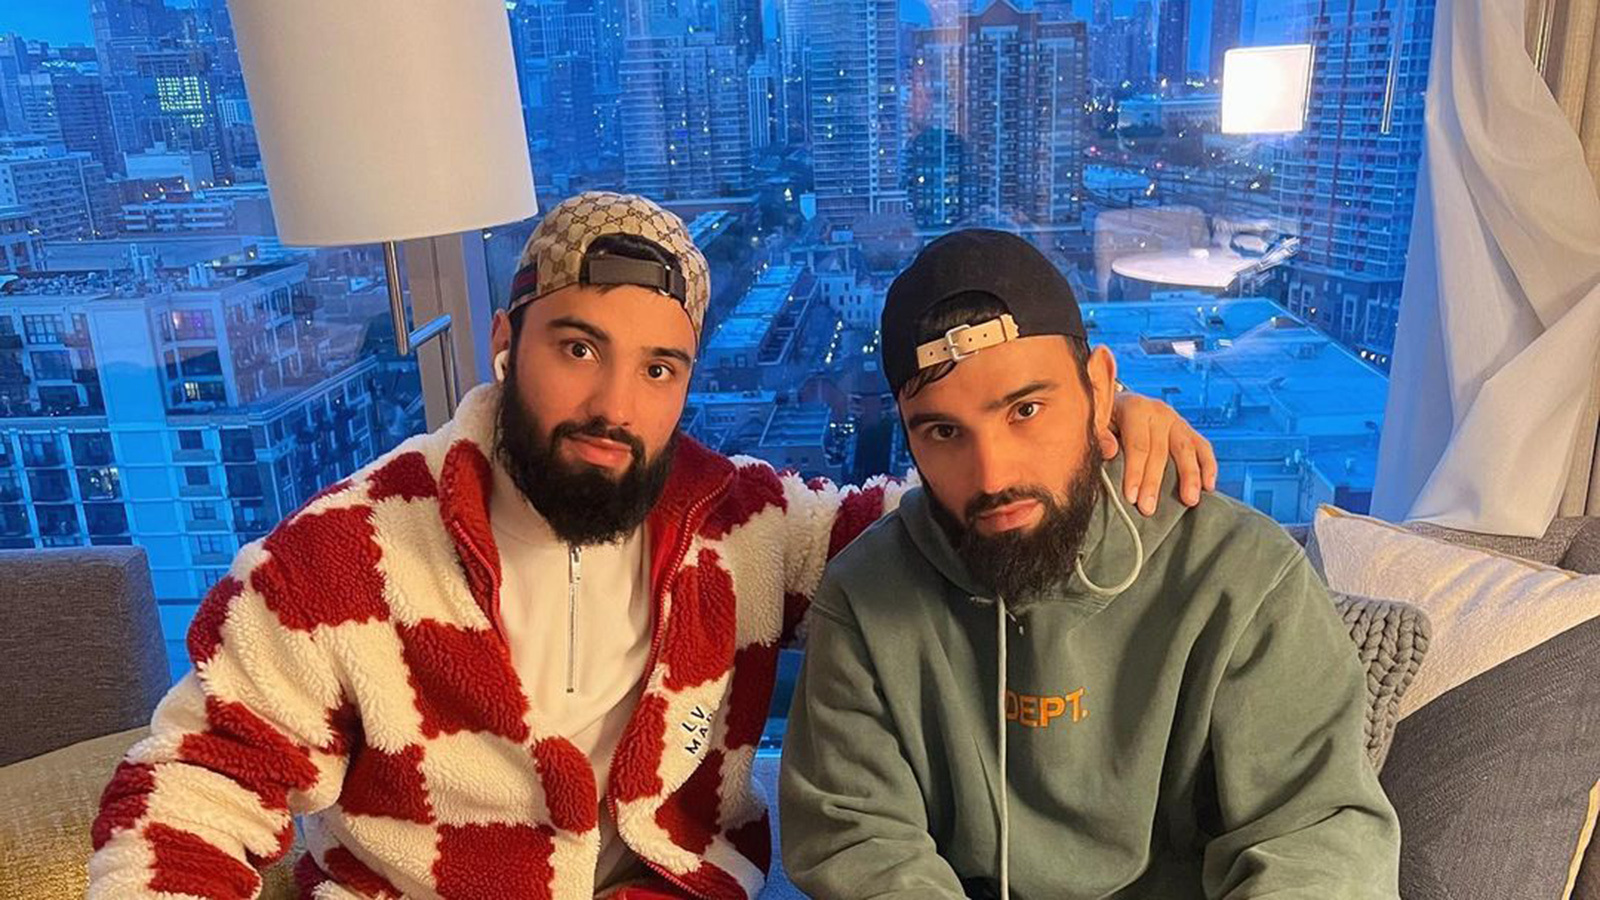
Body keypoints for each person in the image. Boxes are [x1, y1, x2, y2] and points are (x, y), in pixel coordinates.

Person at [88, 194, 1215, 900]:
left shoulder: (744, 529)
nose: (613, 405)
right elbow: (193, 788)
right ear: (505, 339)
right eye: (578, 348)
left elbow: (952, 512)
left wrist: (1096, 427)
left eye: (658, 368)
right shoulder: (341, 559)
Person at [779, 228, 1402, 900]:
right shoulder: (865, 598)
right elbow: (860, 841)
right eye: (944, 431)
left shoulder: (1244, 577)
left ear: (1101, 390)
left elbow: (1315, 840)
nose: (993, 475)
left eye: (1026, 409)